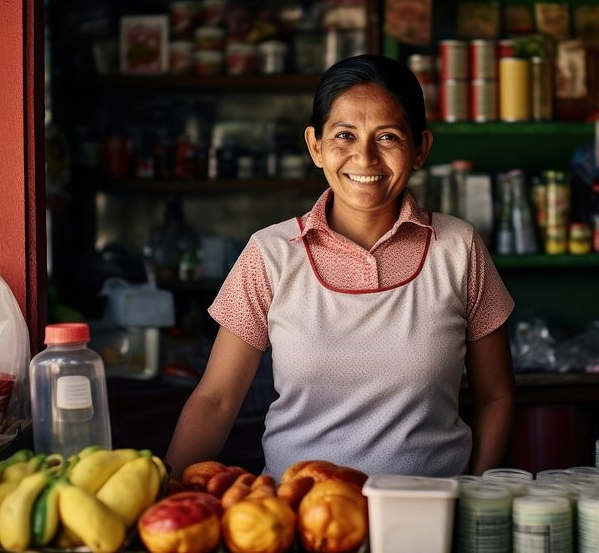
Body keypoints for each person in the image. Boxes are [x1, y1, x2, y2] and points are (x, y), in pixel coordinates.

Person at [165, 54, 515, 480]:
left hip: (430, 519)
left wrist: (476, 497)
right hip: (298, 518)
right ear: (315, 146)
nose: (364, 158)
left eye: (387, 137)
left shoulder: (458, 249)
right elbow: (216, 400)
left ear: (420, 148)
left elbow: (496, 395)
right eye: (344, 135)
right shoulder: (271, 254)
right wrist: (169, 494)